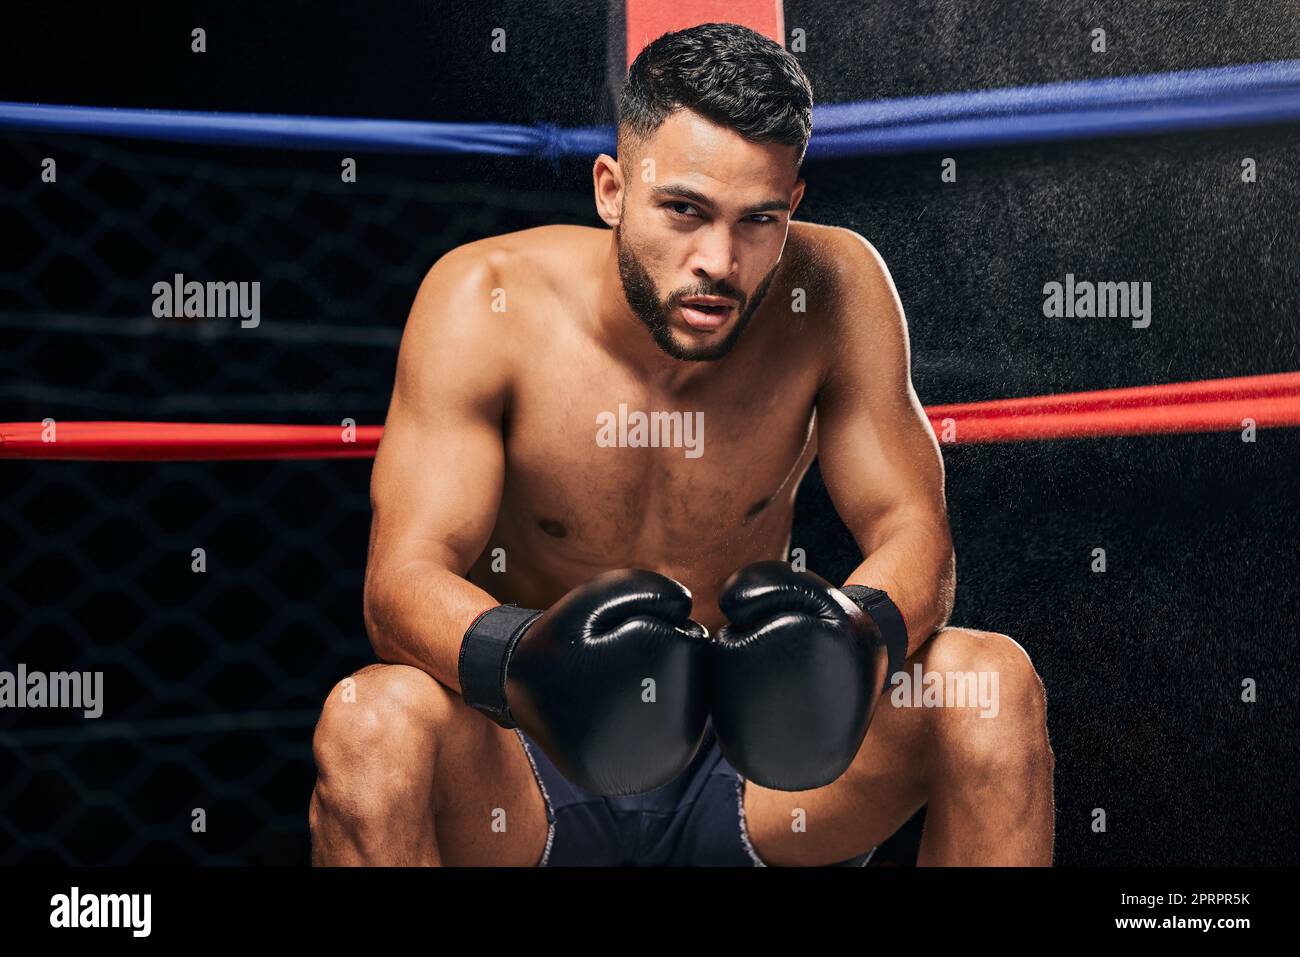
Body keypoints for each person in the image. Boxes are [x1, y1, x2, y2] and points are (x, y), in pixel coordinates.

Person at [310, 22, 1054, 866]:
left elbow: (916, 532)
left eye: (757, 220)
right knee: (370, 722)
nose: (720, 261)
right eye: (685, 210)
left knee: (988, 685)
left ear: (792, 209)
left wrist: (857, 636)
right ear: (612, 189)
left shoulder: (837, 289)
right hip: (531, 761)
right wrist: (528, 658)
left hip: (754, 765)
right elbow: (398, 582)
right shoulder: (484, 303)